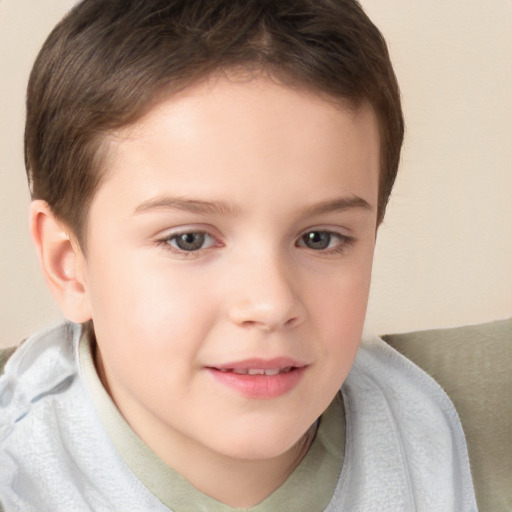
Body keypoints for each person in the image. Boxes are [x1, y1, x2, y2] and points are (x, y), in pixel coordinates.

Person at [0, 0, 477, 510]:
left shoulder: (472, 425)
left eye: (320, 238)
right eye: (190, 239)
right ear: (68, 264)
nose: (271, 303)